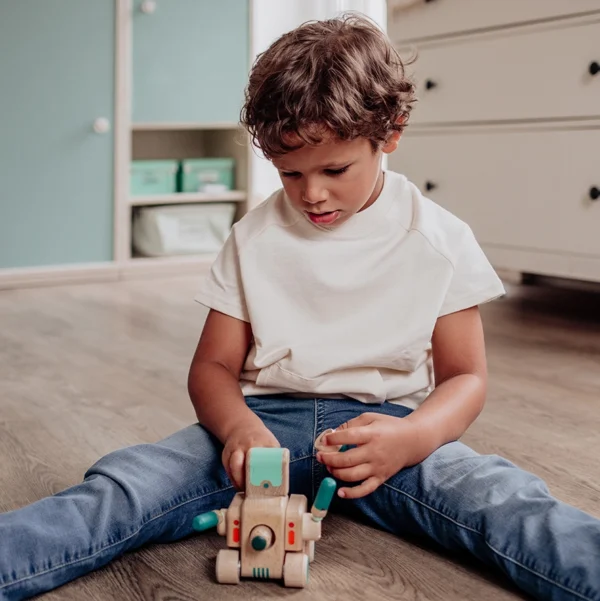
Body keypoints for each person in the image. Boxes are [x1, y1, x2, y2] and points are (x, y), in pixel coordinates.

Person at [1, 13, 599, 601]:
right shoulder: (253, 238)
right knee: (124, 488)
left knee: (507, 503)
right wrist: (239, 430)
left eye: (335, 169)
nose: (311, 193)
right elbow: (211, 367)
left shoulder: (440, 240)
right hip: (264, 425)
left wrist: (414, 438)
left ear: (389, 133)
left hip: (386, 433)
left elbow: (465, 377)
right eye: (290, 173)